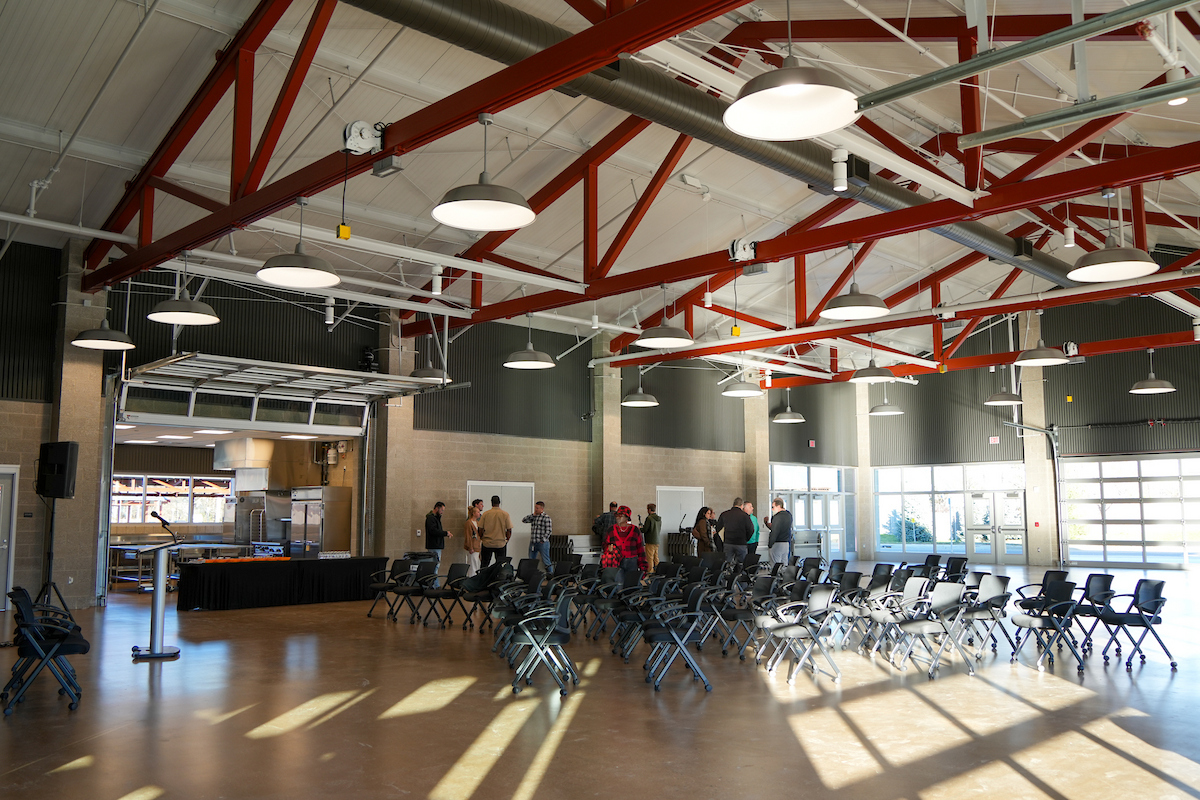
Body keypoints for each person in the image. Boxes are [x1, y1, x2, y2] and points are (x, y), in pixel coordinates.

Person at [603, 505, 647, 572]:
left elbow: (641, 550)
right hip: (616, 561)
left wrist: (643, 567)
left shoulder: (635, 530)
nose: (618, 517)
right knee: (617, 581)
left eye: (621, 515)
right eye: (617, 515)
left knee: (630, 582)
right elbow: (605, 545)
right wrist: (608, 548)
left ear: (627, 517)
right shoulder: (611, 529)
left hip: (632, 562)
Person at [716, 497, 753, 563]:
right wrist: (746, 539)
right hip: (741, 543)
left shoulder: (724, 514)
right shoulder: (745, 516)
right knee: (741, 564)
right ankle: (739, 573)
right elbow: (751, 529)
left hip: (728, 543)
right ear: (742, 506)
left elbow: (718, 528)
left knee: (727, 563)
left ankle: (728, 572)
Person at [478, 495, 512, 568]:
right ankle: (498, 578)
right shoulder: (505, 514)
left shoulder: (485, 514)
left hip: (487, 543)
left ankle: (483, 578)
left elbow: (480, 528)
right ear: (499, 503)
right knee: (500, 565)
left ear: (491, 503)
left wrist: (481, 538)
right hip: (500, 543)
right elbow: (509, 529)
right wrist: (507, 540)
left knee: (484, 564)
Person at [424, 502, 451, 585]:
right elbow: (433, 531)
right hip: (434, 545)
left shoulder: (436, 518)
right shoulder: (431, 518)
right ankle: (435, 585)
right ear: (437, 508)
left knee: (435, 566)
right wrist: (445, 533)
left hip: (436, 545)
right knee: (435, 566)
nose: (442, 512)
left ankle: (434, 584)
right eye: (442, 510)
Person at [522, 501, 553, 571]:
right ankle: (531, 575)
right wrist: (533, 515)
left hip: (542, 543)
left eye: (537, 508)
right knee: (531, 560)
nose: (535, 509)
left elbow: (549, 531)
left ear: (542, 509)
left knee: (546, 560)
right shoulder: (534, 517)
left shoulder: (546, 518)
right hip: (533, 542)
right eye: (535, 508)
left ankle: (551, 575)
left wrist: (543, 540)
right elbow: (524, 520)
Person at [766, 497, 793, 566]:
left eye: (773, 507)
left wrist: (770, 544)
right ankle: (784, 576)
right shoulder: (788, 515)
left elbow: (774, 531)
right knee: (784, 564)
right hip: (786, 543)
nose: (772, 509)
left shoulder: (777, 517)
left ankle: (776, 577)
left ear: (778, 506)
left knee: (775, 565)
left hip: (777, 543)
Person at [463, 503, 482, 577]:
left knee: (476, 564)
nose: (479, 513)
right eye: (477, 512)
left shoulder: (477, 522)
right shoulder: (469, 523)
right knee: (472, 565)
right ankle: (471, 578)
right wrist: (470, 547)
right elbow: (468, 536)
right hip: (473, 547)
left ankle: (476, 578)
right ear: (473, 513)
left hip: (477, 546)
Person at [643, 503, 662, 572]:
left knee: (649, 557)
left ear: (649, 510)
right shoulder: (659, 519)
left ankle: (650, 571)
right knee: (656, 557)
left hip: (650, 540)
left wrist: (640, 528)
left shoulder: (649, 518)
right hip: (657, 540)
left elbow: (645, 529)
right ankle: (658, 570)